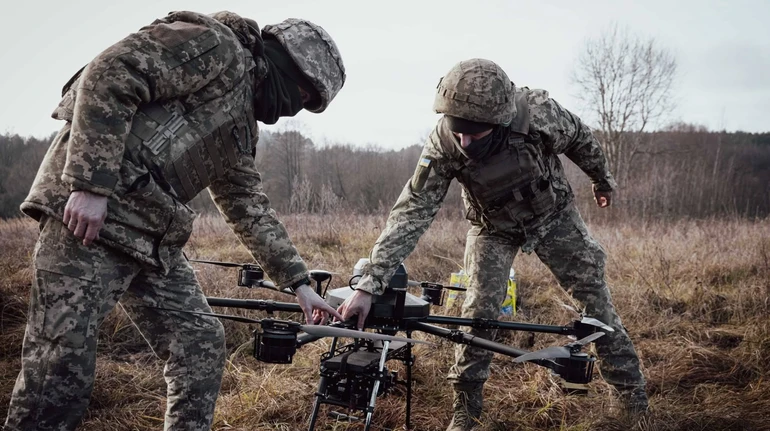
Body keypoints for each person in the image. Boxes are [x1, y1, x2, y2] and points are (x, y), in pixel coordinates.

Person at [4, 10, 346, 431]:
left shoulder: (241, 128)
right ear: (288, 65)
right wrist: (91, 185)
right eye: (303, 96)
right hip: (88, 221)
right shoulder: (216, 46)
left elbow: (247, 204)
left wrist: (299, 284)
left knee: (198, 343)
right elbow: (112, 72)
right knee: (60, 369)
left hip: (150, 238)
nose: (297, 109)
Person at [336, 58, 648, 430]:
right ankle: (466, 410)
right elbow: (412, 211)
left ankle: (633, 401)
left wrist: (602, 180)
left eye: (475, 134)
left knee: (596, 303)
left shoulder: (538, 115)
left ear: (499, 121)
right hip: (491, 227)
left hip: (553, 218)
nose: (465, 143)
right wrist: (370, 283)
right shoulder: (444, 143)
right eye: (458, 132)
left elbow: (581, 138)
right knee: (479, 312)